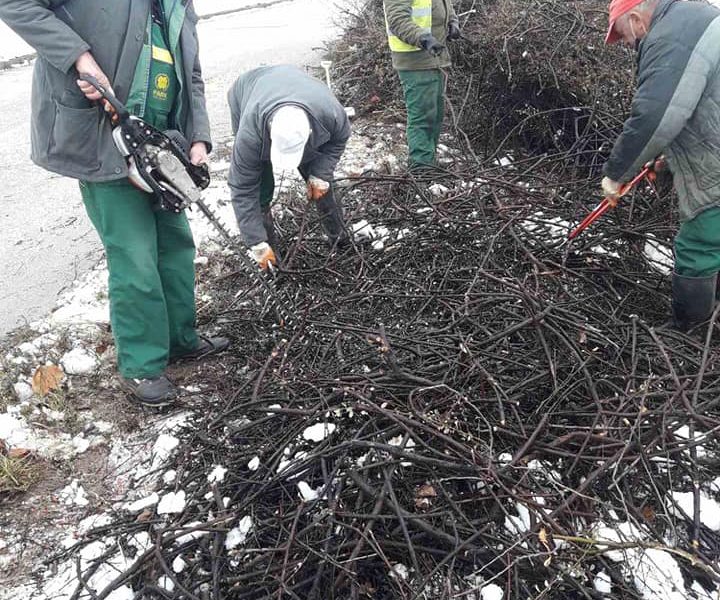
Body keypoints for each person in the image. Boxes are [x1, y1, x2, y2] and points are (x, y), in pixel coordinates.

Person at [0, 0, 228, 407]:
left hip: (162, 145)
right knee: (134, 255)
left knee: (175, 246)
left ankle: (181, 339)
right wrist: (79, 58)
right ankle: (142, 363)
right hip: (105, 139)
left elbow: (190, 72)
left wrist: (198, 136)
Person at [602, 0, 720, 331]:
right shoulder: (695, 19)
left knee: (699, 241)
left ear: (637, 19)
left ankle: (689, 332)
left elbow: (655, 116)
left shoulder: (669, 36)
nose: (627, 44)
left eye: (624, 35)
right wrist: (669, 159)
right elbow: (703, 101)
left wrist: (616, 173)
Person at [227, 65, 351, 269]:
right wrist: (255, 242)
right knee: (259, 186)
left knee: (322, 181)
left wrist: (320, 174)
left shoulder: (330, 113)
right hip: (247, 91)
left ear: (310, 133)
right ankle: (271, 258)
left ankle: (340, 238)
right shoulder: (250, 136)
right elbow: (242, 188)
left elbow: (339, 139)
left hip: (298, 89)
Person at [383, 0, 460, 174]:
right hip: (415, 60)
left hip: (434, 57)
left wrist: (453, 22)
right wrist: (424, 38)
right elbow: (397, 20)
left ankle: (428, 161)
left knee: (435, 114)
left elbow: (446, 5)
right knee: (422, 117)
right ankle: (421, 169)